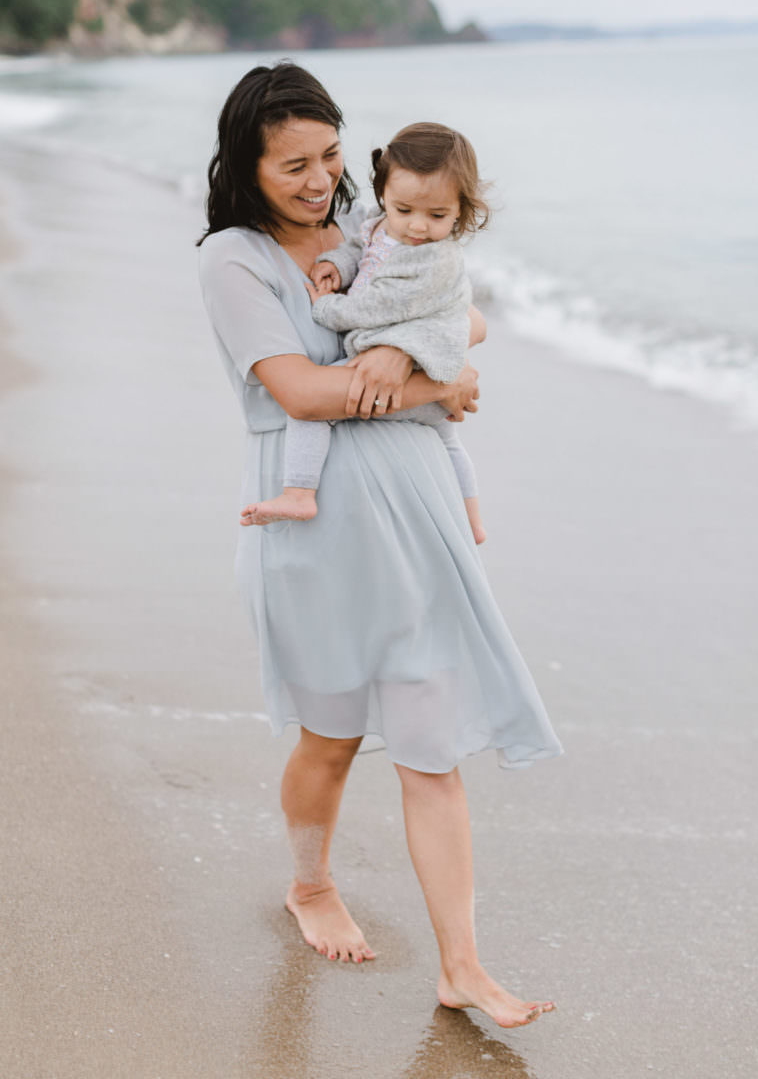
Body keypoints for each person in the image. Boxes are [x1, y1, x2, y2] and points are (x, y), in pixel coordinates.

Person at [197, 60, 563, 1029]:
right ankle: (309, 882)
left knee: (428, 745)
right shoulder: (234, 259)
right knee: (330, 737)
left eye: (327, 156)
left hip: (414, 511)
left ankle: (461, 965)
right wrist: (436, 382)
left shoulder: (377, 232)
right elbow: (306, 392)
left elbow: (466, 309)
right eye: (292, 167)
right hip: (310, 520)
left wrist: (413, 351)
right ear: (244, 165)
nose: (318, 181)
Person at [239, 121, 486, 544]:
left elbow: (375, 309)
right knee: (446, 438)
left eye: (437, 215)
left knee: (312, 414)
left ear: (461, 209)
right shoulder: (377, 224)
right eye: (404, 210)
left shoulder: (433, 260)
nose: (418, 227)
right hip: (422, 369)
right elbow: (359, 250)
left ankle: (299, 492)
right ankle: (473, 525)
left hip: (414, 370)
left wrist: (325, 306)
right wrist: (337, 265)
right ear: (383, 197)